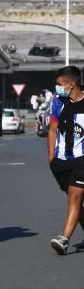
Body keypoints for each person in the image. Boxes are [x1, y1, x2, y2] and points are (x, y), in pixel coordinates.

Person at [47, 66, 84, 254]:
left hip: (81, 160)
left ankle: (64, 239)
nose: (57, 88)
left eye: (59, 84)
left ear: (71, 84)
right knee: (75, 201)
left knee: (75, 196)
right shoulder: (58, 102)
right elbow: (52, 129)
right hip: (61, 161)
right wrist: (51, 157)